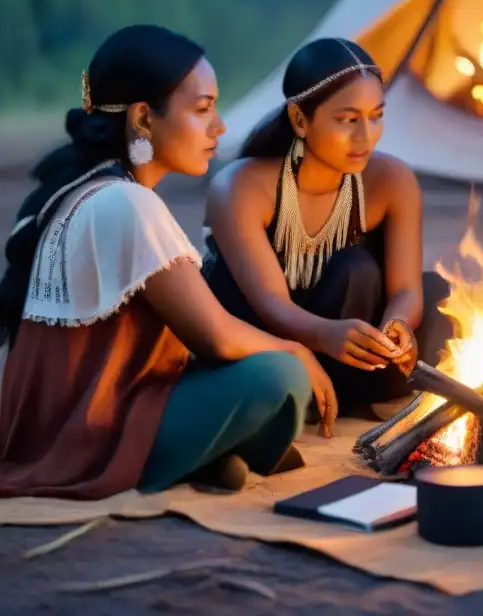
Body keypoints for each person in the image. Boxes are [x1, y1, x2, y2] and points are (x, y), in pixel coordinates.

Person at [0, 25, 337, 500]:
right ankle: (192, 457)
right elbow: (215, 336)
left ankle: (213, 453)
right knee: (277, 376)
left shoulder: (98, 190)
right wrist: (297, 351)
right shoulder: (123, 203)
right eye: (202, 110)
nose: (219, 126)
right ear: (143, 118)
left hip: (109, 408)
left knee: (255, 359)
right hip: (96, 432)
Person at [203, 38, 447, 413]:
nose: (366, 137)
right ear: (300, 119)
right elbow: (271, 304)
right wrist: (324, 333)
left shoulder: (392, 180)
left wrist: (395, 324)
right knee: (357, 270)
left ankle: (349, 390)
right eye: (348, 120)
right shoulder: (241, 187)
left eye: (376, 116)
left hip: (356, 351)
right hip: (277, 345)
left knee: (439, 295)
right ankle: (303, 398)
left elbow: (406, 290)